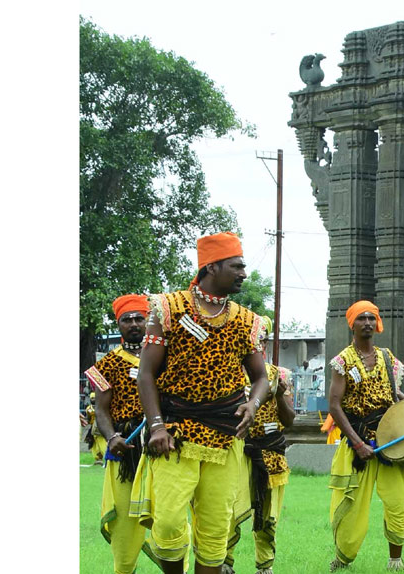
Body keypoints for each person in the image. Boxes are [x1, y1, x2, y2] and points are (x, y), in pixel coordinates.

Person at [133, 232, 270, 574]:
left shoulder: (247, 320)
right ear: (211, 266)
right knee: (167, 523)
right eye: (236, 266)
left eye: (243, 266)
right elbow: (146, 374)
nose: (243, 273)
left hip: (225, 435)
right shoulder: (168, 308)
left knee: (215, 529)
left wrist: (252, 406)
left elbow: (261, 377)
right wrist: (156, 425)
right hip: (175, 433)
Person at [327, 301, 404, 572]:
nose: (367, 323)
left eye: (371, 318)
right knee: (351, 505)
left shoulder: (387, 358)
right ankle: (342, 558)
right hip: (358, 440)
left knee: (397, 502)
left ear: (377, 323)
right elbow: (335, 405)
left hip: (389, 441)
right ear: (352, 324)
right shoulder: (342, 360)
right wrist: (357, 442)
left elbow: (394, 394)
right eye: (361, 318)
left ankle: (395, 560)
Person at [222, 317, 296, 574]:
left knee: (267, 516)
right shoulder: (226, 371)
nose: (259, 342)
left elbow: (289, 421)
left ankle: (265, 567)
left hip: (269, 454)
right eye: (255, 338)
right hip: (235, 452)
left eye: (263, 338)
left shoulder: (280, 374)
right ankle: (223, 562)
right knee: (229, 511)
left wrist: (278, 395)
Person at [87, 294, 152, 574]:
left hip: (159, 444)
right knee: (125, 522)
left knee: (170, 521)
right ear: (119, 324)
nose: (134, 323)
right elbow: (101, 410)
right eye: (127, 319)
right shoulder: (107, 365)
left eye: (140, 317)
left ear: (149, 320)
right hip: (124, 447)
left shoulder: (165, 357)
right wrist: (112, 437)